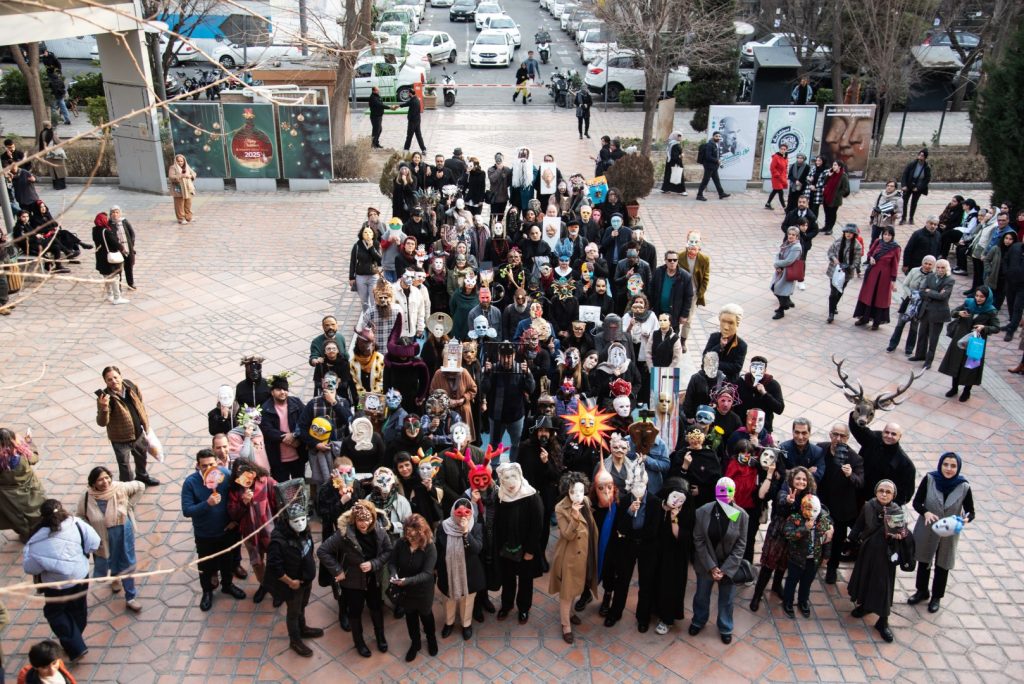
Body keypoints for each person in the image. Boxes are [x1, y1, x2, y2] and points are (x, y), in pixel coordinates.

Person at [22, 499, 100, 663]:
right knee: (78, 607)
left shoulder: (36, 541)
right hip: (80, 575)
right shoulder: (77, 524)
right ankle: (76, 638)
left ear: (42, 516)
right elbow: (94, 543)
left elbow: (31, 568)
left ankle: (75, 645)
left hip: (55, 585)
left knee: (55, 612)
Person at [317, 500, 393, 657]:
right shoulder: (344, 534)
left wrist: (374, 564)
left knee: (376, 608)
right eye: (360, 520)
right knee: (355, 612)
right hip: (352, 582)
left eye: (367, 519)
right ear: (354, 519)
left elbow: (388, 551)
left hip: (373, 578)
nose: (363, 524)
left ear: (373, 518)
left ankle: (380, 637)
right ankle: (359, 642)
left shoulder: (380, 530)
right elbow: (323, 551)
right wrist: (337, 570)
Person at [908, 453, 974, 614]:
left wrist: (966, 519)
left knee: (943, 564)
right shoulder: (930, 479)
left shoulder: (964, 486)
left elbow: (970, 511)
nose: (949, 469)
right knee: (923, 560)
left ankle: (936, 597)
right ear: (940, 465)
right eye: (946, 464)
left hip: (948, 532)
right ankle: (922, 591)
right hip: (928, 528)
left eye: (953, 466)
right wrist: (926, 513)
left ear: (958, 468)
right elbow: (917, 502)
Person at [848, 479, 911, 643]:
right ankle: (866, 605)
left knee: (883, 586)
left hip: (885, 555)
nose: (884, 494)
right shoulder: (869, 506)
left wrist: (901, 534)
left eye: (888, 492)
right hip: (868, 551)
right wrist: (851, 539)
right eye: (881, 491)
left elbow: (902, 532)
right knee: (866, 578)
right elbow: (859, 524)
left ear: (893, 495)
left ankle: (883, 621)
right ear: (876, 492)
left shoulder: (896, 511)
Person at [77, 466, 145, 613]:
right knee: (109, 559)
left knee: (126, 562)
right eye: (100, 480)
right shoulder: (87, 497)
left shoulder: (119, 488)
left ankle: (130, 597)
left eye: (107, 477)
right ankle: (115, 578)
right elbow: (81, 516)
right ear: (93, 483)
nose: (105, 482)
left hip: (123, 532)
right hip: (102, 537)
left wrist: (129, 505)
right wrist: (90, 528)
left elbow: (140, 486)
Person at [688, 477, 747, 644]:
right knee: (701, 595)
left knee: (727, 599)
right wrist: (712, 567)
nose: (725, 494)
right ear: (716, 492)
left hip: (728, 565)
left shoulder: (742, 516)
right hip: (706, 563)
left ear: (734, 493)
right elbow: (698, 540)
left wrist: (726, 569)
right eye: (721, 490)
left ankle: (725, 626)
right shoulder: (702, 511)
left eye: (729, 491)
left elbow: (741, 545)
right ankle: (698, 620)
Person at [749, 467, 816, 612]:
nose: (801, 481)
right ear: (792, 479)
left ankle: (776, 586)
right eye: (798, 478)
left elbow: (818, 508)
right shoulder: (784, 491)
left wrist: (828, 524)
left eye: (804, 479)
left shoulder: (809, 495)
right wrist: (789, 501)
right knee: (768, 565)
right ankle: (757, 594)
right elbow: (781, 500)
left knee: (784, 564)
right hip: (778, 534)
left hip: (794, 535)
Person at [266, 495, 323, 657]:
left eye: (303, 519)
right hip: (293, 584)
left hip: (305, 580)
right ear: (287, 521)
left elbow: (309, 547)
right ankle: (295, 640)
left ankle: (303, 628)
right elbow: (274, 567)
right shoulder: (278, 541)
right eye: (296, 521)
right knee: (293, 612)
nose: (300, 524)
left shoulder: (305, 530)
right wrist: (290, 582)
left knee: (302, 606)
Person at [549, 472, 598, 644]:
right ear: (567, 491)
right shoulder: (561, 508)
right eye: (573, 492)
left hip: (584, 552)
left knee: (576, 587)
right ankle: (566, 625)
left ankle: (570, 613)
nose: (577, 495)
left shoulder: (586, 501)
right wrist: (575, 517)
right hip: (569, 556)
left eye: (581, 491)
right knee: (566, 592)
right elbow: (567, 535)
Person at [493, 462, 544, 624]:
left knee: (525, 579)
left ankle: (523, 607)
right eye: (506, 478)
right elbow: (497, 522)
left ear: (520, 476)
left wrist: (530, 550)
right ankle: (506, 605)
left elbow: (537, 525)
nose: (510, 482)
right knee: (507, 578)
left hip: (525, 548)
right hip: (506, 547)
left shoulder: (531, 496)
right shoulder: (500, 496)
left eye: (513, 477)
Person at [816, 424, 864, 584]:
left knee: (837, 541)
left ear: (847, 438)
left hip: (841, 508)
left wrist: (850, 475)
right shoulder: (821, 449)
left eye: (842, 436)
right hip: (821, 502)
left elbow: (860, 482)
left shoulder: (854, 458)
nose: (838, 439)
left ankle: (832, 569)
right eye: (835, 434)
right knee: (816, 534)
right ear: (830, 435)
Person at [95, 367, 159, 486]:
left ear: (120, 376)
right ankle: (127, 487)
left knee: (141, 458)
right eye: (109, 379)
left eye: (115, 377)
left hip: (138, 433)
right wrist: (104, 407)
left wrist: (145, 424)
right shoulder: (105, 398)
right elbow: (102, 422)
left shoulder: (131, 386)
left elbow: (140, 403)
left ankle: (142, 476)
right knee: (124, 466)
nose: (113, 381)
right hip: (120, 439)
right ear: (105, 382)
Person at [226, 458, 278, 603]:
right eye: (239, 473)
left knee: (275, 559)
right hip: (249, 532)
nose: (244, 475)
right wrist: (243, 503)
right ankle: (265, 585)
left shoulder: (267, 482)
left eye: (247, 471)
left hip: (271, 530)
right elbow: (233, 514)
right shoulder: (235, 490)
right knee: (257, 562)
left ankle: (277, 588)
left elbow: (280, 501)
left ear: (253, 470)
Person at [938, 286, 1000, 401]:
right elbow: (952, 312)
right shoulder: (968, 303)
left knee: (971, 366)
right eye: (977, 295)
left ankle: (967, 391)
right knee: (956, 362)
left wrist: (984, 327)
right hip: (961, 338)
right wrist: (959, 313)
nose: (978, 298)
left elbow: (996, 328)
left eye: (982, 297)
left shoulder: (991, 311)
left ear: (987, 298)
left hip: (976, 342)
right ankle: (954, 388)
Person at [390, 514, 438, 660]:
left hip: (423, 591)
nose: (410, 538)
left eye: (414, 535)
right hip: (406, 590)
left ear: (422, 533)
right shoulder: (401, 543)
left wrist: (407, 581)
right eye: (407, 533)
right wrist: (393, 574)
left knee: (426, 616)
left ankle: (431, 639)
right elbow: (392, 562)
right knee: (410, 617)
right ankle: (415, 643)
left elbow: (427, 574)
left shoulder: (430, 547)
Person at [435, 498, 483, 646]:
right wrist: (436, 568)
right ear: (453, 512)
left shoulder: (476, 527)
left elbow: (476, 549)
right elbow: (438, 548)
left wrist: (466, 532)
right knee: (448, 599)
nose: (463, 517)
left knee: (467, 600)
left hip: (468, 573)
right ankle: (449, 623)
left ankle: (466, 624)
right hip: (448, 571)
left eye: (466, 513)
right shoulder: (443, 527)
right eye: (459, 513)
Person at [781, 494, 832, 618]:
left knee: (807, 582)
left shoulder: (823, 520)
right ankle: (787, 602)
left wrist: (826, 556)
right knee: (791, 581)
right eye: (808, 509)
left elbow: (827, 539)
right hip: (796, 558)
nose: (812, 513)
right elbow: (788, 534)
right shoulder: (795, 518)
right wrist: (804, 528)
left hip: (813, 559)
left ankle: (803, 602)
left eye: (815, 510)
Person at [0, 427, 45, 542]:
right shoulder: (22, 452)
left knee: (15, 517)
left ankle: (25, 535)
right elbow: (34, 458)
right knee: (35, 512)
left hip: (7, 497)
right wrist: (29, 442)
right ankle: (40, 532)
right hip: (30, 489)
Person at [909, 258, 955, 369]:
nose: (940, 269)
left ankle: (928, 361)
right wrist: (935, 293)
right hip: (926, 310)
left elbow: (943, 296)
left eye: (943, 267)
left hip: (938, 314)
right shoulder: (930, 276)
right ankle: (919, 355)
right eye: (938, 267)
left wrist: (930, 291)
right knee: (922, 334)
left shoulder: (949, 280)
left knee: (933, 338)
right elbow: (922, 291)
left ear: (947, 268)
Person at [853, 227, 901, 330]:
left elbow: (895, 265)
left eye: (889, 235)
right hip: (872, 273)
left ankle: (876, 322)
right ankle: (864, 318)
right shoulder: (878, 242)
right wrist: (871, 258)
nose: (886, 237)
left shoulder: (895, 248)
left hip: (884, 277)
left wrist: (893, 281)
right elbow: (870, 253)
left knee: (879, 298)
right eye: (885, 234)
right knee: (867, 295)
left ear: (892, 236)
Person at [887, 255, 935, 354]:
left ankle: (909, 348)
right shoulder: (914, 271)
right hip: (908, 301)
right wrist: (911, 295)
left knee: (914, 326)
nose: (927, 266)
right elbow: (905, 285)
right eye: (925, 263)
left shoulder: (933, 276)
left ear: (933, 265)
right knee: (900, 323)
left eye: (930, 264)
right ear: (922, 263)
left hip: (920, 304)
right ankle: (892, 344)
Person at [826, 224, 864, 323]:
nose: (848, 234)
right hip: (834, 270)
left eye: (851, 232)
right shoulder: (838, 242)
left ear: (854, 234)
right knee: (833, 292)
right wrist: (834, 259)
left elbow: (857, 261)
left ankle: (834, 305)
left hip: (846, 273)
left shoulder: (857, 246)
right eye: (846, 232)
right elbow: (830, 252)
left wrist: (849, 267)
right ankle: (831, 313)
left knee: (840, 291)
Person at [93, 212, 128, 304]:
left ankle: (109, 295)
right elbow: (115, 243)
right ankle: (117, 298)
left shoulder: (95, 230)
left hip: (100, 257)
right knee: (115, 277)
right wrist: (122, 249)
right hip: (109, 258)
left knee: (106, 276)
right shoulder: (106, 231)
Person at [770, 227, 803, 319]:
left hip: (787, 272)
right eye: (789, 234)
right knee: (776, 288)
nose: (790, 236)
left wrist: (777, 264)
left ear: (797, 237)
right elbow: (779, 254)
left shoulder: (796, 247)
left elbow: (789, 261)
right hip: (780, 271)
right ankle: (787, 303)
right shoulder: (787, 243)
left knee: (780, 291)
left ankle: (782, 310)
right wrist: (777, 265)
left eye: (793, 235)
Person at [350, 225, 382, 311]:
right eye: (365, 232)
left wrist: (372, 248)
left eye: (370, 232)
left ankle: (374, 316)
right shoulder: (357, 245)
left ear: (373, 234)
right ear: (362, 234)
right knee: (364, 301)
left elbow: (379, 260)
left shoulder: (376, 244)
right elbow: (353, 261)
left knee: (374, 299)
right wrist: (351, 277)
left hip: (373, 276)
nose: (368, 234)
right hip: (361, 276)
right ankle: (366, 316)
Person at [107, 206, 137, 291]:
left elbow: (132, 234)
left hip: (127, 249)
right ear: (110, 214)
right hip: (117, 251)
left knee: (129, 267)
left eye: (117, 212)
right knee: (118, 269)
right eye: (113, 212)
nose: (115, 214)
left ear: (120, 213)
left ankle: (130, 283)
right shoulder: (109, 224)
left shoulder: (124, 221)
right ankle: (118, 286)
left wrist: (131, 245)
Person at [900, 149, 931, 225]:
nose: (920, 157)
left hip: (918, 186)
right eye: (919, 155)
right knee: (904, 202)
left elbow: (927, 179)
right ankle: (903, 218)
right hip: (909, 185)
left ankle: (911, 218)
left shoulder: (927, 167)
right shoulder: (912, 164)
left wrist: (918, 188)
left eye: (922, 156)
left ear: (925, 157)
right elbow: (905, 174)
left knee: (914, 203)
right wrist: (904, 185)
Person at [695, 132, 729, 201]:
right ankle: (699, 195)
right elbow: (708, 156)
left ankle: (721, 193)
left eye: (719, 136)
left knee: (716, 180)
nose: (718, 138)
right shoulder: (710, 145)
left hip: (714, 166)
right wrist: (717, 160)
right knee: (705, 180)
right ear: (713, 136)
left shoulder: (715, 144)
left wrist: (717, 160)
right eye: (716, 136)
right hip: (709, 166)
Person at [868, 180, 903, 245]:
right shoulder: (881, 194)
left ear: (895, 188)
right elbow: (875, 206)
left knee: (887, 242)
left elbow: (900, 213)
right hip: (877, 223)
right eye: (888, 185)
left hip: (888, 225)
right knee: (873, 241)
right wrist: (873, 215)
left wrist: (896, 216)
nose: (889, 187)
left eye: (891, 186)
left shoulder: (898, 199)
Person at [821, 160, 850, 236]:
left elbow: (846, 189)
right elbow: (824, 182)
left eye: (835, 165)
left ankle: (830, 228)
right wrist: (828, 176)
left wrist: (837, 194)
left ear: (839, 166)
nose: (833, 166)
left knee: (832, 214)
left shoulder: (843, 176)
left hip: (835, 199)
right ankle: (826, 226)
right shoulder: (831, 173)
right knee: (827, 212)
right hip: (827, 196)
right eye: (833, 165)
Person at [167, 154, 197, 225]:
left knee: (188, 203)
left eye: (181, 161)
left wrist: (190, 176)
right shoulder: (173, 167)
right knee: (179, 204)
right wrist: (181, 176)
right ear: (176, 161)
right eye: (178, 161)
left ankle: (188, 217)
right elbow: (171, 177)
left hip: (188, 188)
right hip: (178, 188)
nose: (180, 162)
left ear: (184, 161)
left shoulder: (187, 166)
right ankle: (181, 219)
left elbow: (194, 173)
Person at [661, 131, 686, 195]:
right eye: (679, 136)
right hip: (676, 163)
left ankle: (666, 189)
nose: (680, 138)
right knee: (679, 176)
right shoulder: (675, 145)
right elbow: (675, 156)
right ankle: (681, 191)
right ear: (675, 137)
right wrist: (681, 155)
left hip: (669, 162)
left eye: (680, 136)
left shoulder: (671, 143)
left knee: (668, 175)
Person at [766, 143, 788, 210]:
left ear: (786, 150)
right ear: (779, 149)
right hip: (776, 178)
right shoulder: (776, 157)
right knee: (781, 192)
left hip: (782, 177)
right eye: (781, 149)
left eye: (784, 149)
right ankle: (785, 208)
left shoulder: (785, 157)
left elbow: (785, 167)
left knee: (775, 190)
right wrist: (777, 175)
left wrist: (785, 174)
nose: (782, 150)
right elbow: (772, 168)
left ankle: (768, 203)